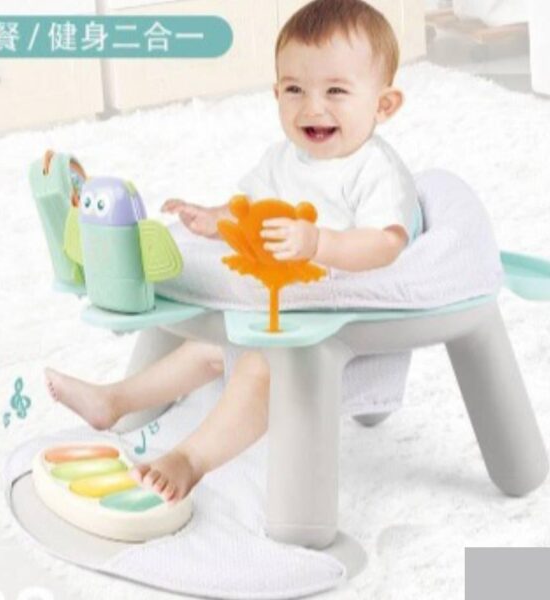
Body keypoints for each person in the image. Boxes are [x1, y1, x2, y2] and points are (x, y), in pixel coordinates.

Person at [45, 0, 422, 504]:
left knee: (254, 366)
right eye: (295, 89)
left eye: (335, 91)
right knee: (206, 347)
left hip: (339, 319)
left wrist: (320, 243)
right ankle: (113, 400)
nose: (312, 107)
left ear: (384, 105)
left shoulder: (374, 170)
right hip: (283, 307)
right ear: (276, 93)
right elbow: (250, 211)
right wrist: (215, 219)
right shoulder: (284, 158)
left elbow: (386, 243)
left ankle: (189, 459)